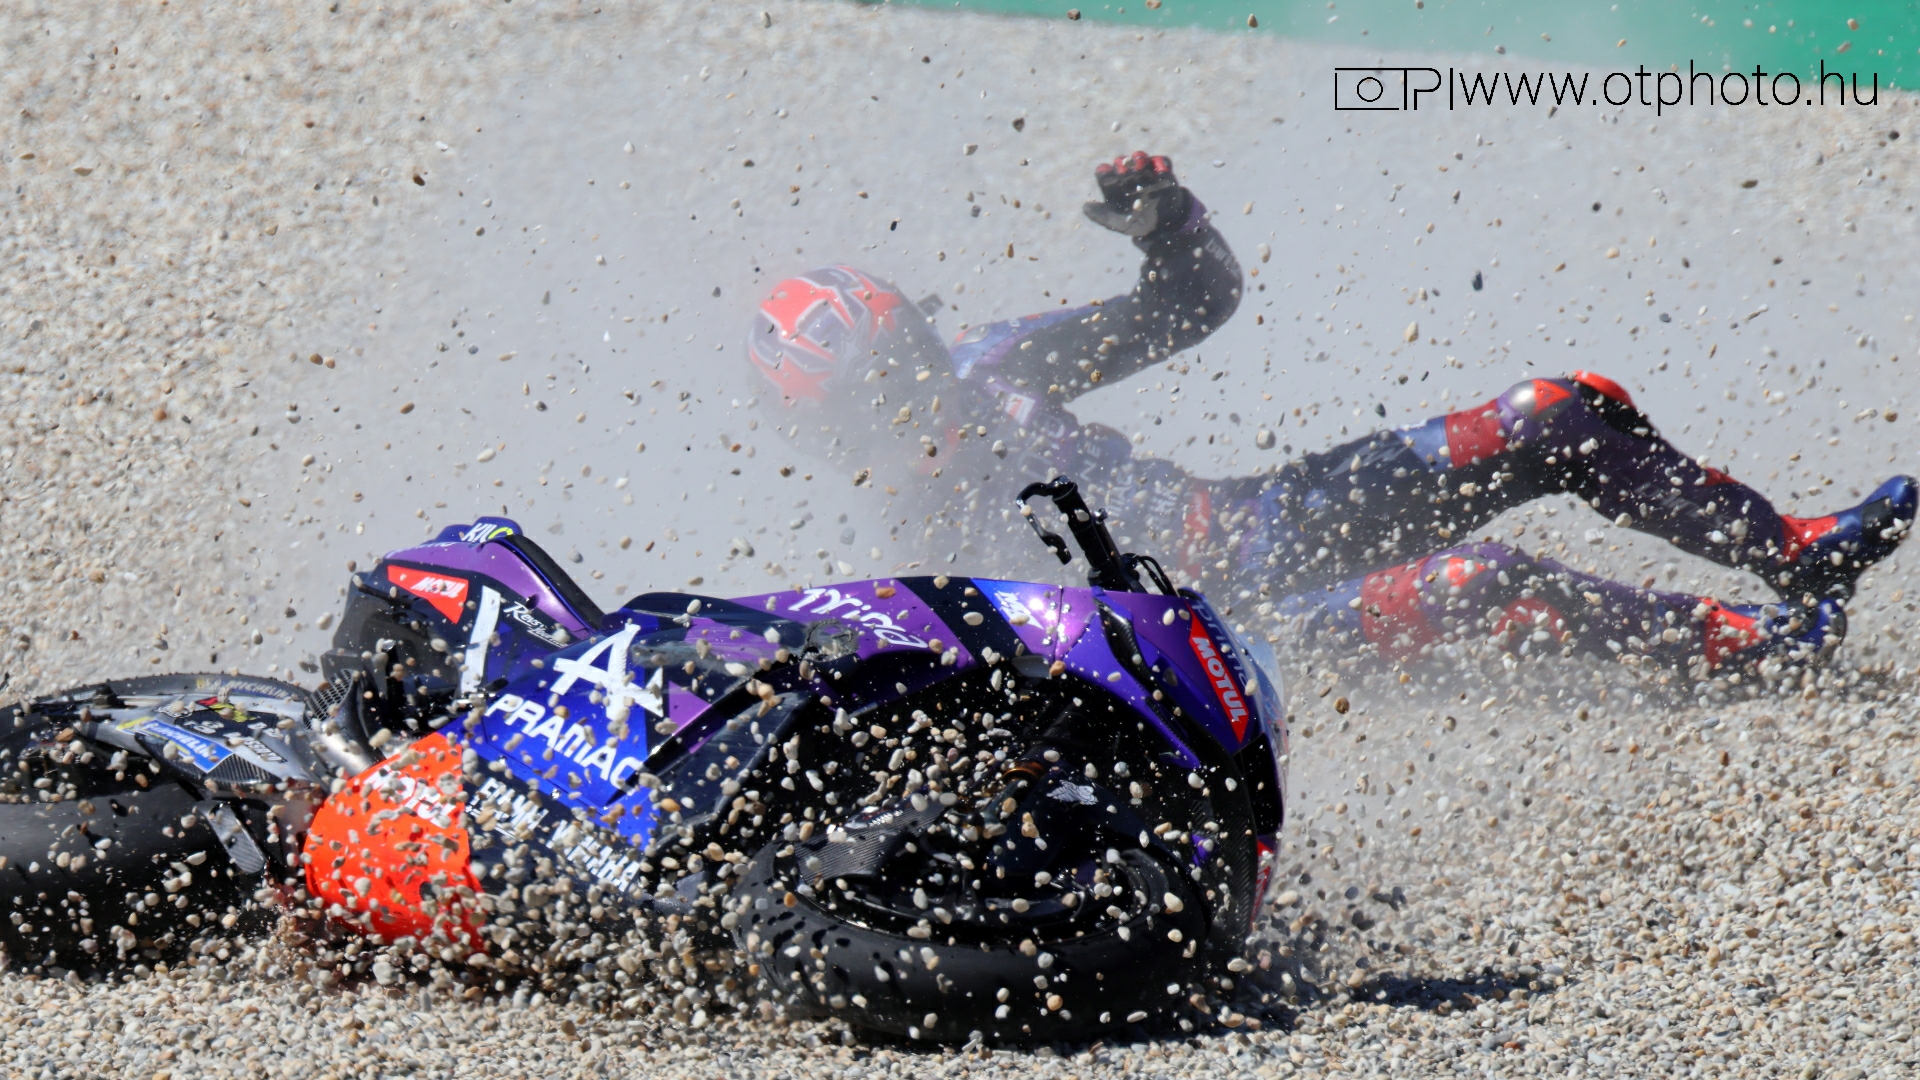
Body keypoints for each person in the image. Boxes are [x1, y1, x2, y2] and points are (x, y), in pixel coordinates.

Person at [745, 151, 1915, 675]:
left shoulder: (995, 359)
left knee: (1559, 412)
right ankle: (1751, 652)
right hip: (1226, 640)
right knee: (1478, 581)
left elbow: (1191, 306)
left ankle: (1798, 550)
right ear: (830, 434)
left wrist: (1170, 223)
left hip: (1264, 519)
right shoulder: (918, 543)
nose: (914, 385)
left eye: (908, 349)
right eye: (877, 385)